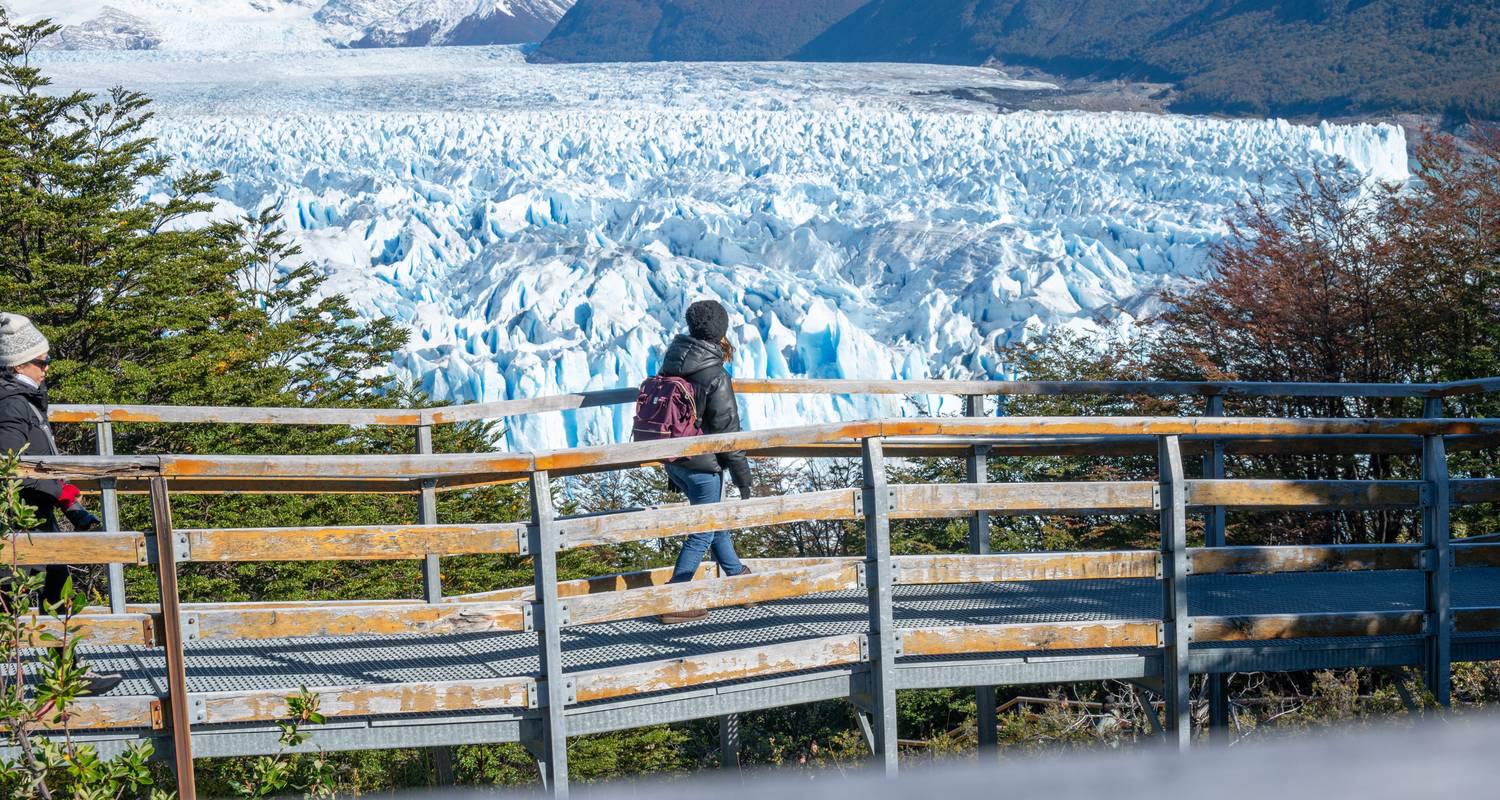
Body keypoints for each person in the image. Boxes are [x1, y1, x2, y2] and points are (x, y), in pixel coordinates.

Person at [0, 313, 122, 695]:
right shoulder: (10, 405)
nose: (46, 367)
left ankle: (65, 677)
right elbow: (12, 464)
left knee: (54, 593)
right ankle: (38, 683)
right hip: (18, 519)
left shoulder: (25, 401)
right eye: (41, 361)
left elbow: (41, 458)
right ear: (18, 364)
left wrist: (69, 503)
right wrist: (65, 496)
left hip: (35, 516)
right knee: (15, 600)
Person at [656, 299, 754, 625]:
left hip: (676, 461)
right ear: (720, 332)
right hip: (702, 466)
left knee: (713, 520)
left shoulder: (672, 362)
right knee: (703, 530)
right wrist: (744, 478)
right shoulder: (715, 375)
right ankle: (676, 598)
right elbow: (729, 434)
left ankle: (739, 579)